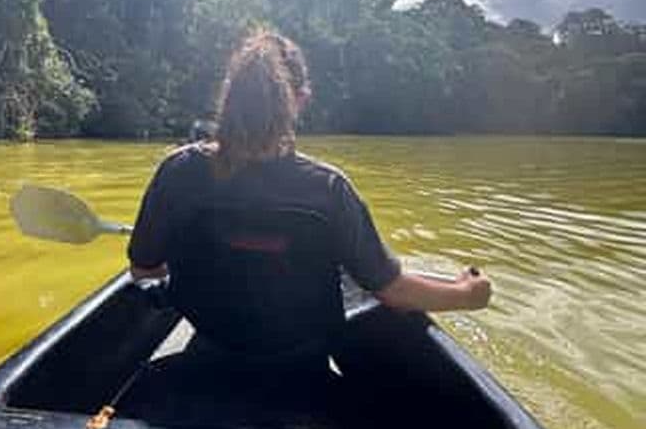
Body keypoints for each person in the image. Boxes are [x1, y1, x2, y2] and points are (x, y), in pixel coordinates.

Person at [128, 30, 491, 320]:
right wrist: (467, 295)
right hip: (303, 362)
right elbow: (392, 290)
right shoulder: (329, 190)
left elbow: (145, 269)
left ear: (230, 94)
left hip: (213, 345)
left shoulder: (177, 172)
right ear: (299, 101)